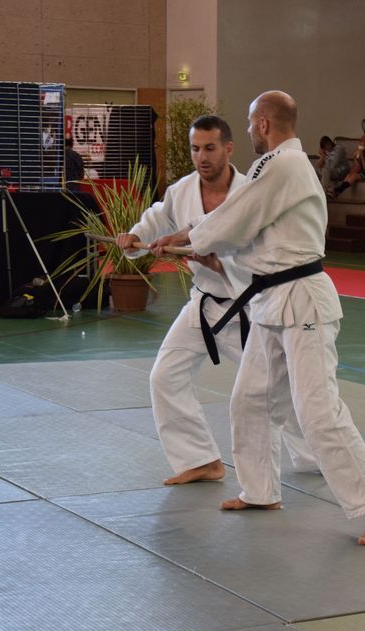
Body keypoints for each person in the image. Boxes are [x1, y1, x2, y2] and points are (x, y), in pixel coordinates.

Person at [150, 91, 365, 546]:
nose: (248, 131)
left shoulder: (285, 165)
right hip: (270, 302)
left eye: (250, 123)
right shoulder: (276, 166)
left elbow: (236, 218)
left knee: (317, 410)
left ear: (263, 123)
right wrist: (184, 239)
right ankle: (260, 491)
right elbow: (240, 224)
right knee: (250, 401)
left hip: (302, 300)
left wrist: (185, 237)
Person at [115, 115, 316, 486]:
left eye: (209, 148)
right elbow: (156, 219)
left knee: (274, 393)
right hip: (203, 304)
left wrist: (220, 265)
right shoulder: (182, 191)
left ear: (228, 148)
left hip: (248, 307)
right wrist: (133, 238)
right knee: (165, 377)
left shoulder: (252, 191)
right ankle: (201, 459)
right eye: (195, 149)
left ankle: (315, 456)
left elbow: (266, 256)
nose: (201, 157)